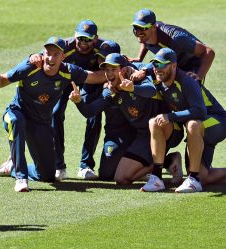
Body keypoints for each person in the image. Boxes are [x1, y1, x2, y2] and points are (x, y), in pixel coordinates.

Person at [0, 37, 106, 192]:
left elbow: (93, 77)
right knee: (16, 121)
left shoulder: (68, 71)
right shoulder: (30, 66)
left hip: (41, 122)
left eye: (56, 54)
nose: (51, 58)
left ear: (63, 56)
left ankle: (12, 167)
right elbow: (1, 81)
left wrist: (122, 72)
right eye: (48, 53)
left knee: (47, 175)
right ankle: (21, 178)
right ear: (43, 53)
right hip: (17, 112)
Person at [70, 53, 184, 184]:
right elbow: (90, 111)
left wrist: (132, 88)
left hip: (166, 128)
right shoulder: (110, 91)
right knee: (121, 179)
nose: (109, 73)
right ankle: (168, 161)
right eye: (106, 70)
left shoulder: (136, 77)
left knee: (154, 124)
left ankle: (157, 171)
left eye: (113, 69)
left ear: (123, 70)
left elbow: (151, 90)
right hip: (143, 135)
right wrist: (78, 101)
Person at [140, 48, 226, 192]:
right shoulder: (157, 77)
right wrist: (135, 72)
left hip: (217, 122)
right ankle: (156, 178)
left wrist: (170, 117)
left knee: (192, 124)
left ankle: (193, 180)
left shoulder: (187, 81)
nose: (157, 69)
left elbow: (200, 111)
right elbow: (142, 68)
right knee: (154, 122)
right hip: (193, 124)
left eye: (162, 65)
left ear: (173, 66)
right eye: (155, 65)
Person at [129, 9, 215, 83]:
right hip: (174, 65)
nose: (138, 32)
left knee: (190, 97)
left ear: (154, 27)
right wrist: (139, 57)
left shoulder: (177, 39)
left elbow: (209, 52)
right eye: (136, 27)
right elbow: (145, 40)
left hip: (192, 66)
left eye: (143, 28)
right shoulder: (146, 34)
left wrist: (199, 77)